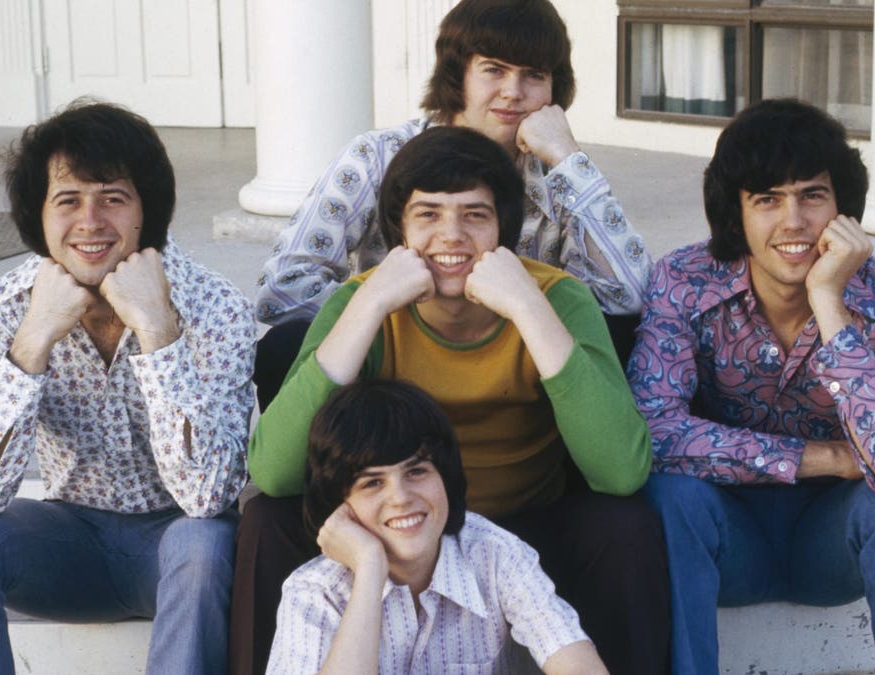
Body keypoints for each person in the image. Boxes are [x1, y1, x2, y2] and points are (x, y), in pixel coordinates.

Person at [234, 126, 670, 675]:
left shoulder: (559, 297)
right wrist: (369, 307)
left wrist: (528, 310)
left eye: (474, 216)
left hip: (524, 528)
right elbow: (273, 471)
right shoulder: (366, 299)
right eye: (428, 215)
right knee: (267, 518)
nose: (452, 235)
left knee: (625, 526)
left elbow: (622, 470)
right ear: (400, 230)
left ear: (503, 231)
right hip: (395, 526)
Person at [0, 100, 256, 675]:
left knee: (204, 545)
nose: (91, 222)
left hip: (176, 542)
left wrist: (158, 332)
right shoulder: (4, 309)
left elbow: (208, 497)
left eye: (113, 198)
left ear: (146, 210)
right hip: (66, 540)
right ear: (39, 215)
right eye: (68, 200)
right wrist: (33, 342)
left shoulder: (213, 305)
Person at [628, 98, 875, 674]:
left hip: (833, 541)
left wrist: (829, 301)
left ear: (842, 209)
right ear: (736, 212)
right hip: (726, 531)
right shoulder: (683, 283)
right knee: (667, 498)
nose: (794, 221)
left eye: (812, 195)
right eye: (767, 199)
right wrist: (821, 458)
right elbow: (653, 433)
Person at [250, 0, 651, 410]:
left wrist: (569, 158)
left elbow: (628, 298)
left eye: (534, 75)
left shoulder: (561, 176)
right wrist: (393, 322)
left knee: (617, 336)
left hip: (513, 379)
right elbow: (283, 288)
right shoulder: (377, 156)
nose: (513, 93)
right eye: (494, 69)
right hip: (389, 381)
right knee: (287, 345)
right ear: (456, 74)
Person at [267, 378, 608, 674]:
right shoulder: (314, 591)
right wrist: (370, 568)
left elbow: (579, 665)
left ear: (445, 476)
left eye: (416, 472)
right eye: (372, 483)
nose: (400, 498)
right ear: (340, 504)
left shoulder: (496, 555)